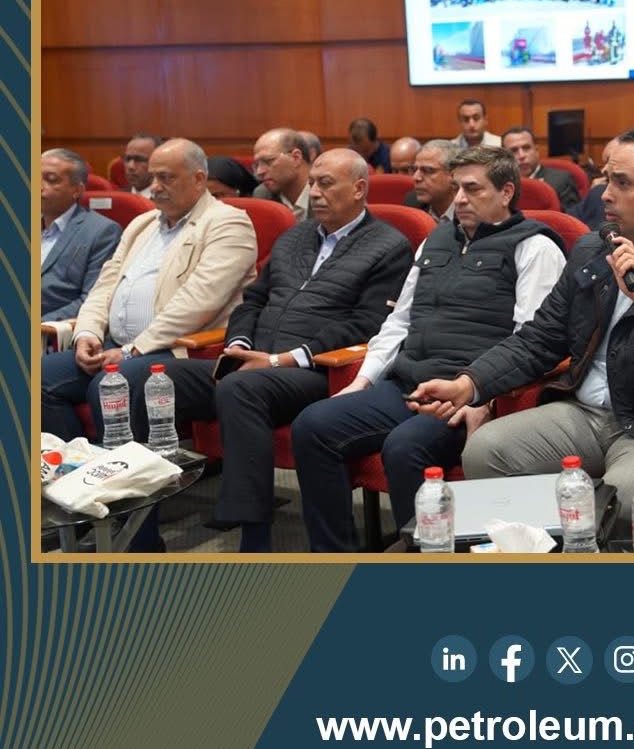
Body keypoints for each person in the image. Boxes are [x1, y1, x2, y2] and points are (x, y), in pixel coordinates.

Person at [411, 128, 634, 528]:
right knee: (484, 450)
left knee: (619, 499)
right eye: (607, 179)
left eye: (622, 183)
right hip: (583, 413)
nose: (605, 194)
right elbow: (539, 339)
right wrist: (468, 384)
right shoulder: (594, 249)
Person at [118, 149, 414, 552]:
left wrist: (282, 359)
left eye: (326, 184)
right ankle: (139, 530)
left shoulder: (388, 246)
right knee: (146, 376)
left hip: (314, 372)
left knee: (241, 388)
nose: (315, 192)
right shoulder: (296, 236)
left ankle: (254, 539)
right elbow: (253, 300)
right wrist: (239, 344)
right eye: (313, 183)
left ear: (359, 189)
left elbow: (367, 324)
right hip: (252, 362)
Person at [291, 146, 566, 547]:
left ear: (506, 192)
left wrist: (484, 399)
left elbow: (531, 340)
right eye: (456, 189)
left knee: (404, 448)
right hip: (408, 383)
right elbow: (399, 321)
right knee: (312, 426)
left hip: (464, 397)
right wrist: (361, 382)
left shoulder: (535, 248)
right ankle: (335, 559)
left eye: (473, 189)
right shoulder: (434, 241)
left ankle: (428, 561)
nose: (460, 199)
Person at [41, 138, 258, 443]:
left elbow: (199, 301)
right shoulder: (142, 224)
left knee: (111, 384)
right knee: (36, 377)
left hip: (175, 349)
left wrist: (132, 350)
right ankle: (76, 462)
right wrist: (87, 333)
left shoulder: (228, 223)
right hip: (114, 344)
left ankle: (126, 471)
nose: (154, 186)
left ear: (198, 179)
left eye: (165, 178)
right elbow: (104, 286)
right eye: (153, 177)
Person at [41, 148, 121, 321]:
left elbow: (91, 299)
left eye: (51, 179)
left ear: (77, 190)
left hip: (50, 329)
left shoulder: (102, 232)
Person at [502, 125, 579, 210]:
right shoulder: (500, 184)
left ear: (536, 150)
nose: (521, 155)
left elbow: (570, 216)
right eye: (513, 151)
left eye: (526, 148)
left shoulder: (562, 180)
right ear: (503, 156)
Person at [252, 127, 313, 219]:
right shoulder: (262, 195)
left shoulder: (327, 193)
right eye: (257, 164)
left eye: (268, 161)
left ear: (296, 158)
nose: (259, 171)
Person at [403, 139, 456, 221]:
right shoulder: (412, 203)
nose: (416, 177)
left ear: (453, 175)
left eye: (428, 170)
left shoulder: (471, 210)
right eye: (414, 169)